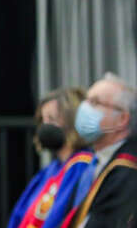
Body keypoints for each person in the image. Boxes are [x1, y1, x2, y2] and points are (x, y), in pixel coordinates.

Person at [8, 87, 93, 228]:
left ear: (72, 121)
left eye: (51, 119)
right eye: (43, 119)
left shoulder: (82, 165)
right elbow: (19, 215)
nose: (44, 126)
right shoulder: (50, 170)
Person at [62, 73, 137, 228]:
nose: (84, 108)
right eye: (86, 101)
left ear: (122, 119)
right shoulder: (93, 162)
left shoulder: (128, 169)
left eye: (95, 102)